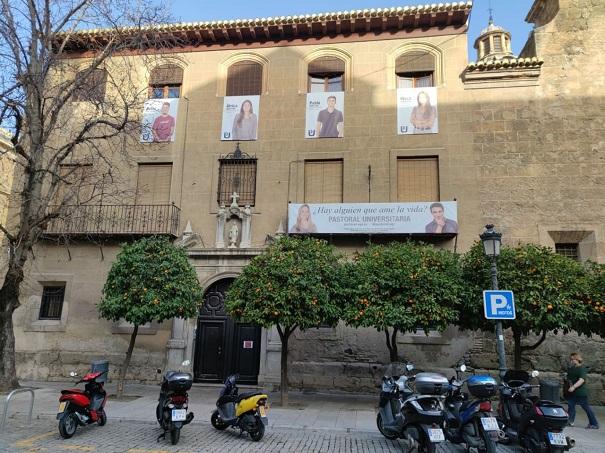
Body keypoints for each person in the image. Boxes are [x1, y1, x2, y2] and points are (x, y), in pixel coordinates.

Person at [566, 352, 599, 429]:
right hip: (572, 392)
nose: (571, 361)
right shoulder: (571, 369)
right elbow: (570, 378)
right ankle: (570, 421)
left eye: (572, 359)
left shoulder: (582, 369)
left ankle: (594, 424)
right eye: (570, 359)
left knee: (586, 408)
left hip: (580, 392)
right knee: (571, 406)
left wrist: (573, 387)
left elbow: (581, 380)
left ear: (577, 360)